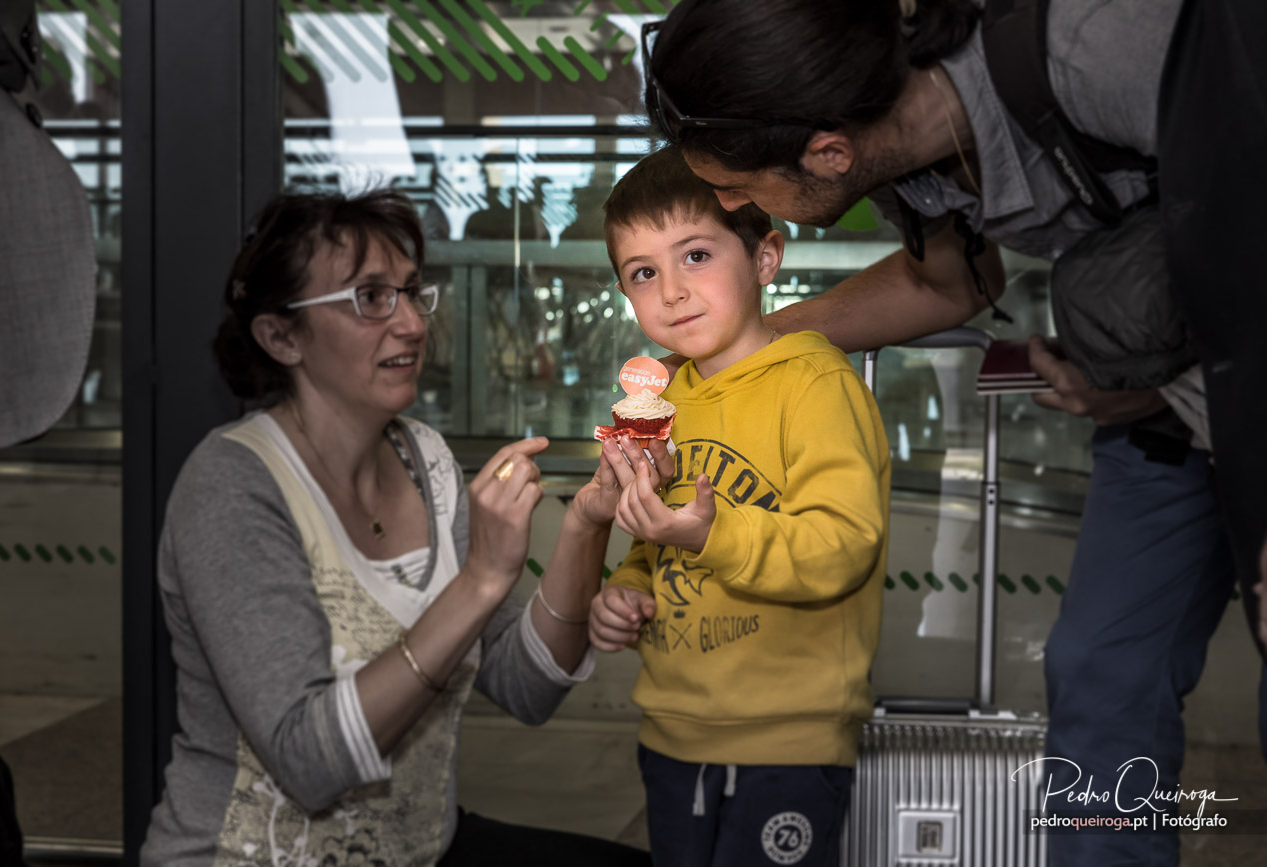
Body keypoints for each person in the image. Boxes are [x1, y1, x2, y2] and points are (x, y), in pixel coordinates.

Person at [640, 1, 1263, 864]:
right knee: (1100, 677)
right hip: (1170, 420)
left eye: (739, 188)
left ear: (827, 150)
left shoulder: (1098, 44)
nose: (729, 204)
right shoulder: (904, 158)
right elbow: (946, 284)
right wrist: (749, 350)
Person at [140, 189, 659, 866]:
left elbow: (526, 687)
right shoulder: (231, 485)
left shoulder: (427, 461)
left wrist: (585, 524)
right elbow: (309, 760)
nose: (412, 324)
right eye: (370, 298)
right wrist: (479, 580)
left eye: (412, 293)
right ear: (281, 335)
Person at [588, 145, 892, 867]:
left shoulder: (814, 384)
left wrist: (714, 531)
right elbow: (652, 543)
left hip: (787, 739)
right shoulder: (659, 403)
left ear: (764, 257)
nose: (671, 291)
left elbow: (845, 543)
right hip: (670, 733)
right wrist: (627, 591)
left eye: (695, 255)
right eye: (643, 272)